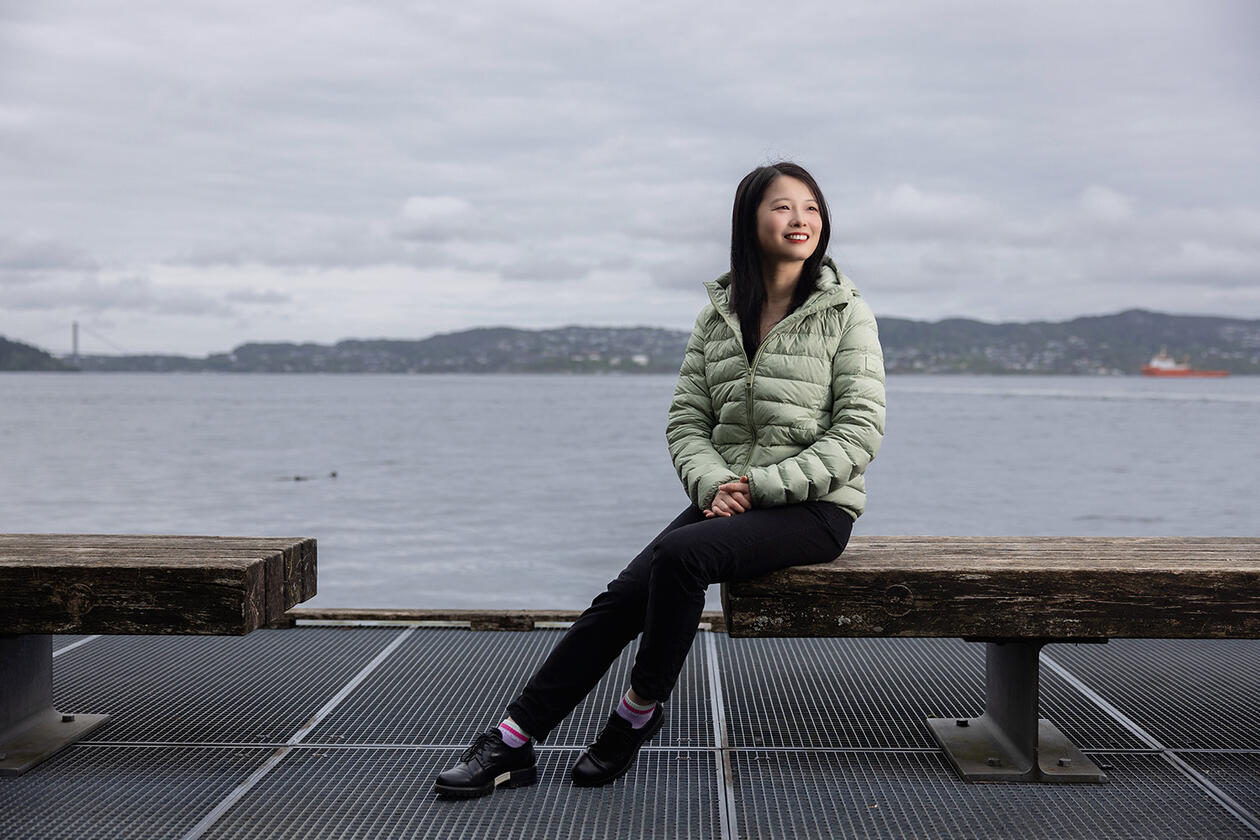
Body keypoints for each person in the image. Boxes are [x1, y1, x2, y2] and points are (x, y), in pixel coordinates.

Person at [433, 161, 886, 798]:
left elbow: (858, 432)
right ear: (750, 220)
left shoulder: (846, 313)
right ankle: (512, 741)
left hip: (814, 508)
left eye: (811, 207)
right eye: (784, 207)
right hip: (728, 502)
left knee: (677, 555)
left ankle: (635, 716)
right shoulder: (718, 317)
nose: (801, 220)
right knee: (620, 599)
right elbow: (686, 421)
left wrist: (758, 488)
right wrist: (712, 487)